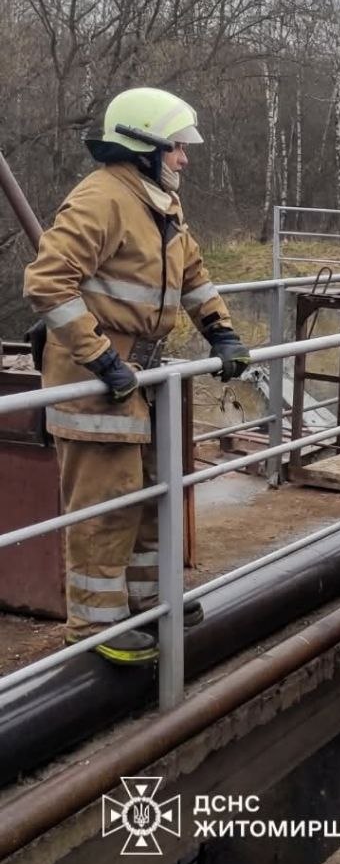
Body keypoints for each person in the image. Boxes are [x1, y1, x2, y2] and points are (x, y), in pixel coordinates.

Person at [24, 87, 250, 665]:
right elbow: (47, 282)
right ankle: (96, 628)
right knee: (107, 503)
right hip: (95, 379)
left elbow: (192, 272)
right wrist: (99, 358)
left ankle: (149, 603)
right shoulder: (101, 199)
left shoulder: (158, 202)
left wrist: (220, 330)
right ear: (144, 147)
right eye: (177, 147)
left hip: (139, 378)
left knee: (149, 495)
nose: (185, 158)